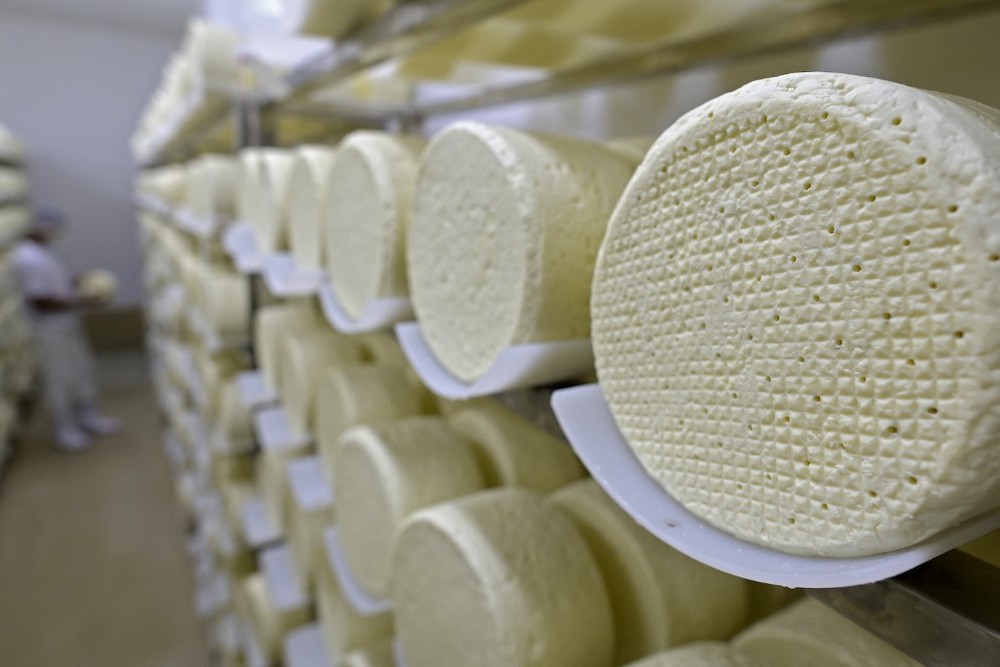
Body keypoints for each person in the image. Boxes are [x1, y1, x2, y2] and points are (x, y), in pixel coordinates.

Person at [11, 208, 120, 452]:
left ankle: (89, 417)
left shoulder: (40, 254)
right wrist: (84, 301)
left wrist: (79, 280)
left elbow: (55, 283)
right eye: (53, 229)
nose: (55, 234)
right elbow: (39, 300)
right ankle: (66, 430)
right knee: (60, 379)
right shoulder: (27, 258)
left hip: (66, 323)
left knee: (81, 370)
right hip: (49, 329)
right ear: (41, 227)